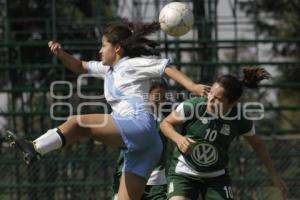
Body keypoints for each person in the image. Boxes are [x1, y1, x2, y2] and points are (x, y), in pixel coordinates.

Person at [6, 20, 210, 200]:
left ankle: (36, 148)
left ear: (118, 48)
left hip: (138, 124)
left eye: (103, 46)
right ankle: (36, 149)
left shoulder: (132, 64)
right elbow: (79, 66)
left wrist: (191, 86)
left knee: (78, 123)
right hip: (147, 145)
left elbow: (165, 67)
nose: (100, 51)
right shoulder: (107, 69)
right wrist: (61, 54)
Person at [160, 68, 288, 200]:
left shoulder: (239, 119)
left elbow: (258, 145)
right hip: (184, 172)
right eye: (211, 93)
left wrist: (275, 176)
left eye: (217, 99)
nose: (210, 99)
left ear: (232, 103)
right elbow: (165, 124)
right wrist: (179, 139)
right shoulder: (193, 106)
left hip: (216, 177)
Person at [112, 80, 171, 200]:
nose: (161, 101)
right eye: (157, 97)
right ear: (146, 96)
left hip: (155, 183)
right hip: (129, 176)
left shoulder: (167, 120)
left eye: (164, 97)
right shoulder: (132, 117)